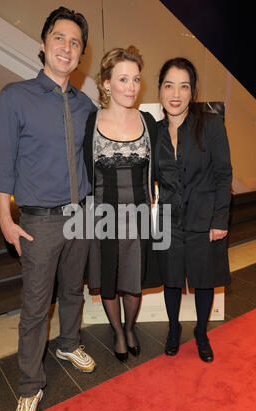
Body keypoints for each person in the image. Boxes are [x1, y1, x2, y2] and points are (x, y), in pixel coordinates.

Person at [0, 6, 97, 411]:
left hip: (81, 217)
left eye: (75, 42)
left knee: (73, 289)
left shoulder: (85, 103)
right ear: (43, 44)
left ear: (80, 54)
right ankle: (30, 385)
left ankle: (69, 344)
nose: (66, 47)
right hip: (38, 221)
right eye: (59, 38)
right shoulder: (16, 96)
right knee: (36, 307)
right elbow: (1, 162)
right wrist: (4, 218)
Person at [83, 46, 161, 362]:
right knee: (110, 283)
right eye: (123, 79)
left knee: (133, 282)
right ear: (106, 84)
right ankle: (117, 332)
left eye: (136, 79)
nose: (130, 87)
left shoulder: (148, 123)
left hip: (140, 217)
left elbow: (160, 173)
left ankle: (130, 328)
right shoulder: (90, 123)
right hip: (103, 218)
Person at [155, 57, 232, 362]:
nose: (176, 93)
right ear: (160, 90)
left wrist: (219, 217)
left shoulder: (210, 125)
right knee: (171, 279)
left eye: (183, 86)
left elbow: (224, 174)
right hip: (167, 220)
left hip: (204, 219)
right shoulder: (154, 131)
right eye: (169, 85)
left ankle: (201, 332)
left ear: (193, 91)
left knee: (203, 279)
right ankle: (174, 329)